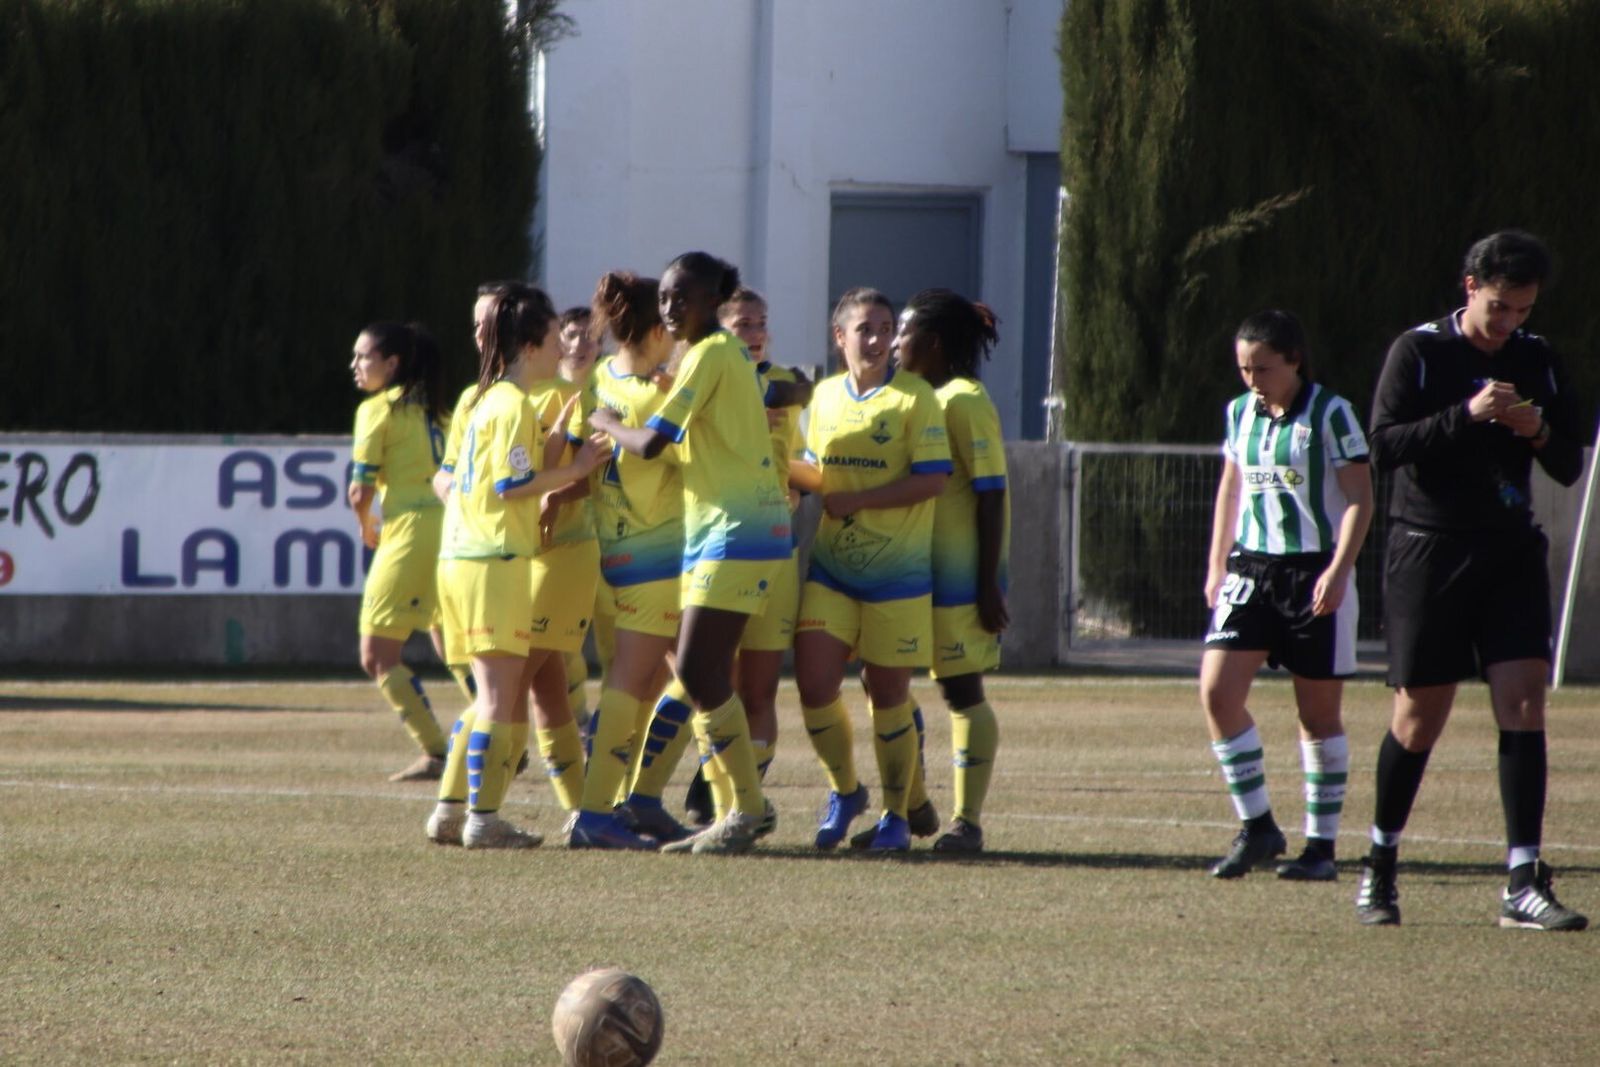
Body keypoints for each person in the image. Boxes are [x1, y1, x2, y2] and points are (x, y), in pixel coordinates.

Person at [1356, 230, 1588, 930]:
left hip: (1510, 552)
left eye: (1521, 310)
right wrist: (1466, 416)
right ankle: (1379, 864)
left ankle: (1522, 878)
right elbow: (1384, 445)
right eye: (1498, 307)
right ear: (1470, 287)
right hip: (1428, 551)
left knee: (1523, 703)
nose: (1509, 323)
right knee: (1419, 717)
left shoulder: (1536, 358)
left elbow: (1571, 462)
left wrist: (1537, 429)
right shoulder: (1420, 352)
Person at [589, 251, 791, 855]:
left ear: (713, 302)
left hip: (738, 528)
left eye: (686, 296)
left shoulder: (709, 353)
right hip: (726, 527)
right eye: (667, 298)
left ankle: (743, 809)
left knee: (699, 671)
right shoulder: (713, 359)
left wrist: (606, 419)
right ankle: (732, 807)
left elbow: (651, 443)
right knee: (697, 671)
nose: (673, 307)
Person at [423, 283, 608, 849]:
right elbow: (513, 486)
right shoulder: (511, 404)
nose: (563, 346)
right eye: (555, 337)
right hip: (494, 560)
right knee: (501, 701)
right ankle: (484, 818)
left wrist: (553, 444)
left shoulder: (489, 401)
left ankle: (454, 813)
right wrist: (577, 466)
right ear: (530, 345)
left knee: (492, 696)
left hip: (465, 557)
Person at [1197, 311, 1374, 880]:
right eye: (1244, 367)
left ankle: (1320, 849)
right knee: (1217, 693)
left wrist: (1339, 570)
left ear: (1294, 359)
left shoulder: (1332, 413)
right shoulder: (1238, 413)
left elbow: (1359, 500)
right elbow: (1231, 488)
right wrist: (1215, 565)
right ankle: (1258, 827)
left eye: (1263, 367)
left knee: (1317, 716)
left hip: (1313, 575)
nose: (1252, 378)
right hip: (1251, 570)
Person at [787, 287, 952, 851]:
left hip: (897, 576)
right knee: (813, 685)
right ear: (840, 337)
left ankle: (897, 817)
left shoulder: (914, 399)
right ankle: (846, 790)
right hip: (832, 569)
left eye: (887, 328)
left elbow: (933, 478)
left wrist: (860, 501)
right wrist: (779, 479)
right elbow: (813, 468)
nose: (880, 340)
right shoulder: (826, 397)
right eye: (866, 329)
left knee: (888, 697)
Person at [888, 289, 1012, 853]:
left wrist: (986, 585)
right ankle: (910, 802)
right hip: (907, 570)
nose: (893, 344)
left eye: (903, 334)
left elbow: (991, 495)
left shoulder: (963, 400)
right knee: (883, 682)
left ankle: (968, 822)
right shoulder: (916, 397)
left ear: (932, 344)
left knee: (961, 690)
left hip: (958, 581)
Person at [568, 271, 684, 850]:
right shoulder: (661, 395)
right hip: (659, 558)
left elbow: (572, 454)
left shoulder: (597, 383)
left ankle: (621, 801)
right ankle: (602, 809)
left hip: (611, 552)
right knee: (675, 681)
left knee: (640, 686)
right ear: (659, 330)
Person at [347, 321, 454, 782]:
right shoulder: (443, 413)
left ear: (392, 364)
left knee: (377, 655)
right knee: (452, 641)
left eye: (363, 357)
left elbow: (359, 491)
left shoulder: (378, 411)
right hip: (452, 531)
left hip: (410, 531)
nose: (354, 365)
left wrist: (365, 526)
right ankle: (498, 739)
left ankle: (438, 752)